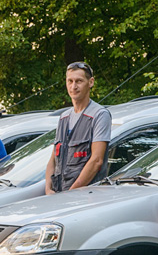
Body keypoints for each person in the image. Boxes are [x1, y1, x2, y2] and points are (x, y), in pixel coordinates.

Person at [45, 61, 112, 194]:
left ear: (91, 82)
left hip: (85, 198)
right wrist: (48, 189)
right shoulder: (64, 117)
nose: (73, 86)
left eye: (79, 81)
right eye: (69, 81)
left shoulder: (99, 115)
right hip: (59, 196)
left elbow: (96, 161)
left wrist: (71, 193)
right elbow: (53, 159)